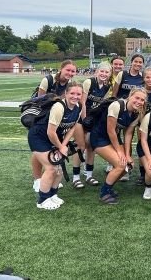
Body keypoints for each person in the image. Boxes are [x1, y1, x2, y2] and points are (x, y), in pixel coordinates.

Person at [28, 82, 83, 210]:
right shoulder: (59, 107)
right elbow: (50, 132)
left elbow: (72, 128)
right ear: (66, 94)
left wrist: (63, 146)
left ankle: (52, 195)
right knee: (51, 168)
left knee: (59, 168)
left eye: (78, 94)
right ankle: (42, 200)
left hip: (55, 139)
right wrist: (60, 147)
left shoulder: (78, 107)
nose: (75, 96)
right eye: (72, 93)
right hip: (39, 137)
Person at [89, 88, 147, 204]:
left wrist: (127, 154)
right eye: (136, 98)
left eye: (142, 100)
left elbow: (128, 134)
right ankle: (104, 193)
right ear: (130, 96)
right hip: (99, 138)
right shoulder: (117, 105)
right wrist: (120, 152)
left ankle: (109, 188)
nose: (139, 102)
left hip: (113, 139)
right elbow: (110, 130)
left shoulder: (136, 114)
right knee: (120, 164)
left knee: (128, 166)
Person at [32, 60, 77, 192]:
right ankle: (37, 179)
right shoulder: (48, 80)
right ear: (61, 69)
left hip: (57, 119)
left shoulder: (70, 85)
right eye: (68, 70)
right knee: (38, 150)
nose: (70, 73)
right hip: (41, 119)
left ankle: (48, 176)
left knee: (51, 147)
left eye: (73, 71)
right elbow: (39, 102)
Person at [75, 62, 112, 189]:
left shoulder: (107, 86)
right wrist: (85, 119)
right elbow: (82, 102)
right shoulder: (89, 82)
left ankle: (89, 174)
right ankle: (76, 177)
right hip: (82, 118)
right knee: (81, 146)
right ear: (97, 72)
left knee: (91, 146)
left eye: (107, 72)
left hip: (93, 120)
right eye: (102, 71)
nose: (104, 74)